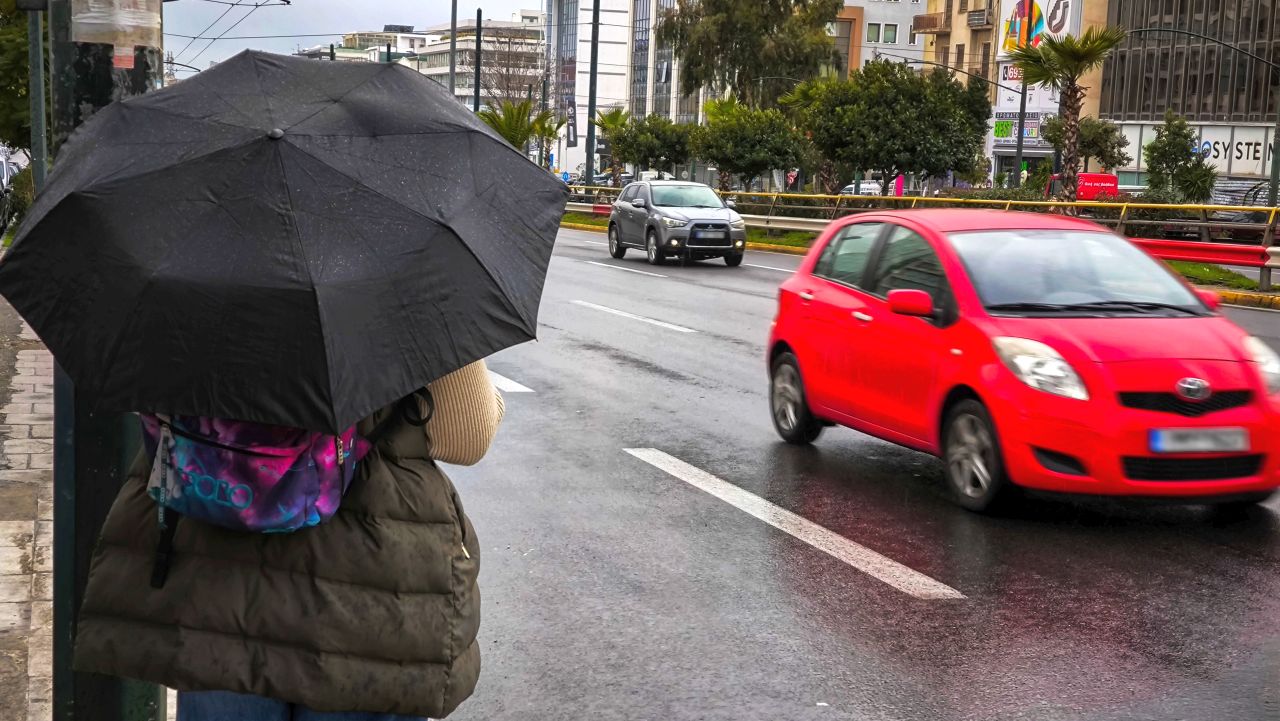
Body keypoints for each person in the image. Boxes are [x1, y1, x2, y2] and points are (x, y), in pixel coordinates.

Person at [73, 361, 506, 720]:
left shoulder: (194, 285)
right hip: (365, 596)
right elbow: (464, 437)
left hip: (219, 582)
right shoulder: (404, 287)